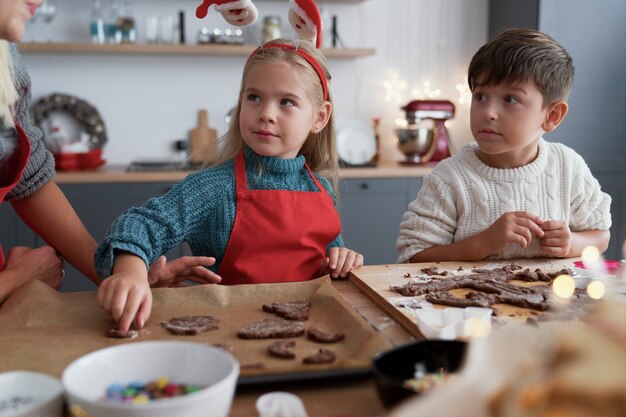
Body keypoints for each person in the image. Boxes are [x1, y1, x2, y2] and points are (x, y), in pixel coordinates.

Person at [95, 38, 364, 332]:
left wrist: (342, 258)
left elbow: (330, 256)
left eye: (286, 102)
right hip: (229, 332)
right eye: (254, 97)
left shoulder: (321, 189)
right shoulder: (213, 188)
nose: (266, 113)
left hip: (309, 330)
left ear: (319, 117)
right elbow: (139, 224)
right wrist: (130, 271)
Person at [0, 0, 217, 304]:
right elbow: (138, 224)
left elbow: (30, 182)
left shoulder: (7, 66)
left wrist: (119, 277)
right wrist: (18, 279)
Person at [396, 28, 611, 264]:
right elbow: (413, 255)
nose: (488, 112)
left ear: (552, 116)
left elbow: (600, 235)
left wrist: (573, 244)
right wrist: (482, 243)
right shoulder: (449, 178)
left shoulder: (568, 167)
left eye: (510, 99)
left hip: (552, 300)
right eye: (480, 96)